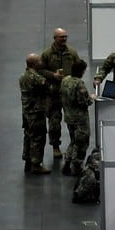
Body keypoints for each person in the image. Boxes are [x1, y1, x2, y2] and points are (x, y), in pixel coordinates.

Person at [40, 29, 86, 164]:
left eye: (65, 37)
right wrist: (52, 75)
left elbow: (79, 66)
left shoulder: (71, 52)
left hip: (69, 93)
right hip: (53, 92)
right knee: (54, 121)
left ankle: (73, 145)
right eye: (61, 37)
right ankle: (55, 146)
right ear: (55, 38)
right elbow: (40, 69)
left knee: (72, 120)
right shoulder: (47, 54)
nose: (64, 39)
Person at [17, 53, 56, 175]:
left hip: (27, 112)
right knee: (38, 138)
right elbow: (47, 90)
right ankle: (36, 164)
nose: (41, 62)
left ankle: (28, 161)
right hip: (37, 112)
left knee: (28, 136)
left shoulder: (23, 76)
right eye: (39, 61)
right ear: (34, 64)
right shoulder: (38, 79)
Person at [58, 73, 94, 175]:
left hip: (69, 116)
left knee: (73, 140)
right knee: (82, 142)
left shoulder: (65, 80)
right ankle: (77, 166)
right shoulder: (79, 84)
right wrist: (91, 98)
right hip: (80, 119)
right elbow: (84, 102)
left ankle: (67, 161)